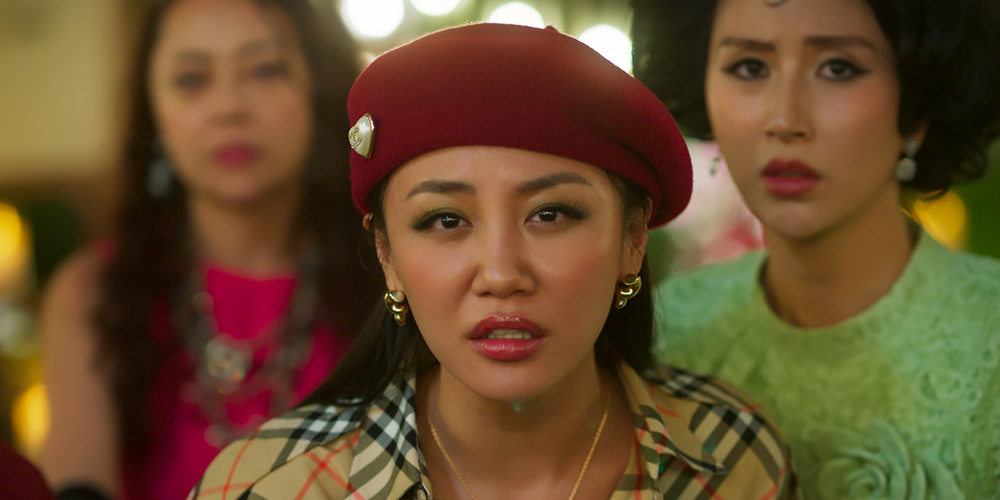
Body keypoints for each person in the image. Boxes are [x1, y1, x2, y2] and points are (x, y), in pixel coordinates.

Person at [190, 23, 800, 500]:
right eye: (445, 221)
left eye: (550, 214)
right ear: (387, 255)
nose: (502, 275)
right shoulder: (272, 485)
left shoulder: (733, 459)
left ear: (632, 237)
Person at [630, 0, 1000, 497]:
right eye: (750, 67)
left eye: (838, 68)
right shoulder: (665, 331)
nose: (785, 119)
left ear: (918, 105)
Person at [38, 0, 378, 499]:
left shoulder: (388, 277)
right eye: (192, 79)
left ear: (320, 90)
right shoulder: (92, 293)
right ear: (153, 111)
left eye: (265, 70)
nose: (229, 107)